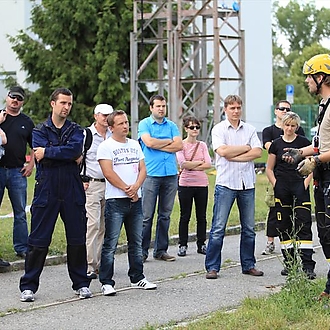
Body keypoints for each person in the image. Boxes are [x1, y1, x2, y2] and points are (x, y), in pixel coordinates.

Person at [19, 88, 92, 302]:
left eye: (69, 104)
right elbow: (41, 155)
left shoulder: (75, 130)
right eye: (63, 103)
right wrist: (63, 154)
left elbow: (74, 150)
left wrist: (49, 151)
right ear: (53, 104)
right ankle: (28, 286)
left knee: (77, 238)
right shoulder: (40, 129)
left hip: (72, 188)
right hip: (47, 188)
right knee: (38, 240)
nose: (66, 107)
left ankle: (81, 284)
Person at [282, 54, 330, 299]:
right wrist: (300, 152)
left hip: (329, 175)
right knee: (325, 234)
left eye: (309, 77)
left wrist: (315, 160)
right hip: (323, 178)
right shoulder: (323, 106)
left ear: (320, 77)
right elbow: (320, 144)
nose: (307, 82)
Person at [97, 110, 157, 296]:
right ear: (111, 127)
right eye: (121, 123)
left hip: (135, 200)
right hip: (116, 200)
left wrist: (136, 187)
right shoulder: (106, 147)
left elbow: (142, 169)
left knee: (136, 242)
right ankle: (106, 281)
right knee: (111, 243)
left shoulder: (134, 144)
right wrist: (126, 188)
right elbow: (108, 172)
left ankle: (137, 277)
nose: (125, 126)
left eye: (126, 122)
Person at [205, 94, 264, 279]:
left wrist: (235, 154)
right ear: (225, 109)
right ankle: (212, 267)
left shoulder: (250, 129)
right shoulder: (219, 129)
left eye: (238, 107)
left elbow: (258, 152)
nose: (236, 111)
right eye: (232, 108)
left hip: (247, 183)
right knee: (218, 227)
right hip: (226, 183)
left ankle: (248, 264)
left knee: (249, 228)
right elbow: (222, 151)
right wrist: (245, 148)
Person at [266, 112, 316, 279]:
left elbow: (311, 164)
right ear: (283, 125)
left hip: (299, 186)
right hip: (282, 188)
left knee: (304, 225)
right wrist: (276, 184)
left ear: (297, 127)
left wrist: (305, 183)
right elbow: (269, 168)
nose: (289, 128)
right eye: (287, 125)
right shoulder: (276, 144)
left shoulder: (303, 143)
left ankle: (308, 265)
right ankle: (290, 263)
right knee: (284, 226)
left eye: (293, 126)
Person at [138, 94, 183, 262]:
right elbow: (148, 143)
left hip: (170, 174)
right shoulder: (144, 124)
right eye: (158, 106)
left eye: (163, 106)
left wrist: (160, 144)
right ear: (151, 108)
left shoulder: (171, 125)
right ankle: (142, 251)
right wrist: (168, 143)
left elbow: (179, 145)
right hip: (151, 174)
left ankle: (161, 250)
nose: (161, 109)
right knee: (146, 215)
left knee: (165, 214)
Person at [261, 100, 305, 255]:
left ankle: (297, 244)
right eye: (281, 109)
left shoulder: (299, 135)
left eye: (288, 109)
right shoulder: (269, 131)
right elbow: (269, 148)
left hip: (296, 178)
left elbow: (304, 151)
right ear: (276, 111)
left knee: (297, 213)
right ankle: (270, 241)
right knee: (275, 210)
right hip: (278, 177)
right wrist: (275, 182)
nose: (284, 111)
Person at [0, 86, 35, 259]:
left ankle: (21, 247)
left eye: (19, 98)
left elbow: (35, 145)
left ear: (22, 102)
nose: (15, 101)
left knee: (20, 212)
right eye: (12, 97)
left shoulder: (27, 122)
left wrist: (31, 164)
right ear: (7, 97)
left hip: (17, 172)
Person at [82, 104, 113, 280]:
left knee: (105, 226)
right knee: (92, 224)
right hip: (92, 184)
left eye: (109, 116)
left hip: (110, 185)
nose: (106, 119)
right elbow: (79, 158)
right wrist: (81, 178)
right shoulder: (86, 135)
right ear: (96, 116)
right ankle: (88, 264)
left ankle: (100, 263)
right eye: (103, 115)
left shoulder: (112, 135)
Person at [176, 116, 212, 257]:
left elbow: (208, 164)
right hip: (185, 184)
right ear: (186, 129)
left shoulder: (202, 145)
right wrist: (199, 163)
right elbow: (183, 164)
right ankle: (182, 244)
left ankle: (201, 243)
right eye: (192, 127)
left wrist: (193, 165)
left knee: (201, 216)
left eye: (197, 127)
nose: (195, 130)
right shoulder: (181, 145)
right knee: (185, 215)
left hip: (201, 184)